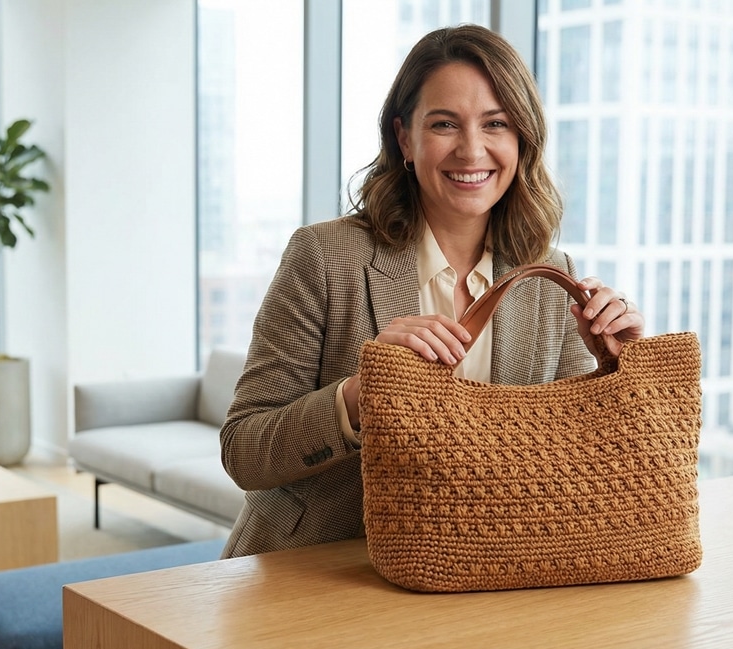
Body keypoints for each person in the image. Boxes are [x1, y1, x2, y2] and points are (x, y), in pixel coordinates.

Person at [219, 24, 644, 559]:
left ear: (522, 140)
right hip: (318, 568)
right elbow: (243, 451)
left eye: (496, 124)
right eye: (444, 124)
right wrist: (356, 399)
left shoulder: (550, 277)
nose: (472, 150)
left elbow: (575, 459)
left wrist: (615, 368)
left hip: (486, 571)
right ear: (404, 139)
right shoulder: (323, 258)